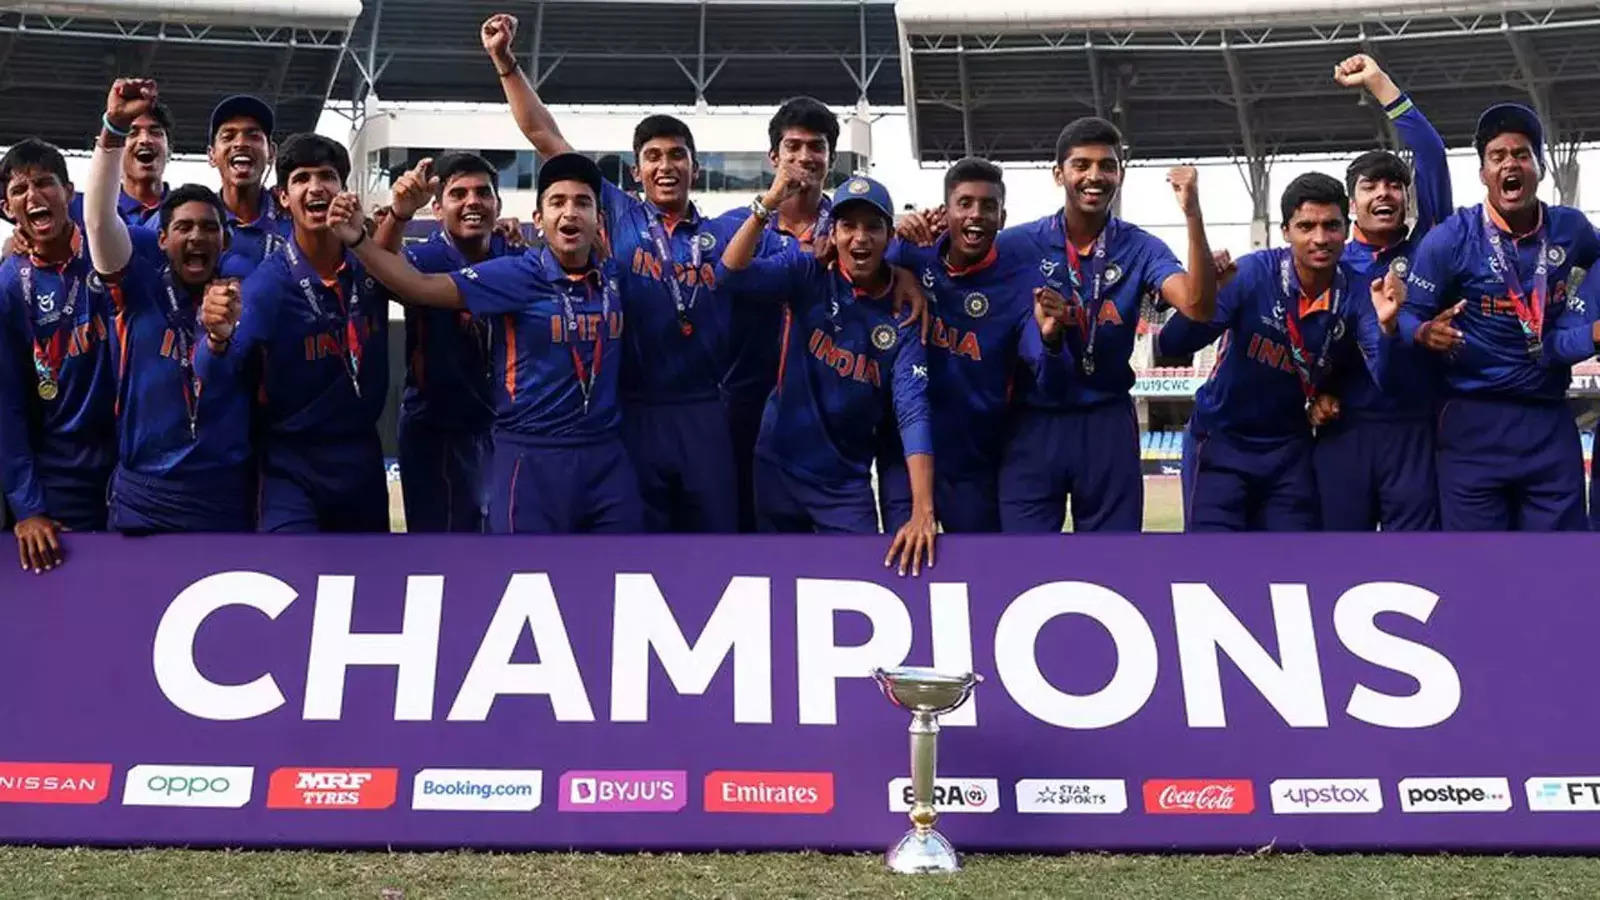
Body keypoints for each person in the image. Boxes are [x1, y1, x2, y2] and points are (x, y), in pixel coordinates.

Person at [483, 12, 748, 532]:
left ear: (695, 168)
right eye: (653, 157)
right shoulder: (616, 211)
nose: (666, 166)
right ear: (636, 171)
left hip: (703, 408)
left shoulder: (724, 232)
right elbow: (542, 132)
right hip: (634, 409)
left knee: (716, 539)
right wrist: (505, 61)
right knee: (637, 550)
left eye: (677, 156)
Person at [328, 152, 642, 534]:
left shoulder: (600, 273)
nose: (570, 212)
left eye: (582, 203)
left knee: (616, 562)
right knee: (457, 551)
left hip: (563, 440)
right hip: (456, 429)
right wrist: (369, 233)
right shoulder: (503, 269)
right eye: (558, 202)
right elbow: (402, 281)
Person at [998, 117, 1219, 533]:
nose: (1095, 176)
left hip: (1106, 421)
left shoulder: (1141, 247)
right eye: (1081, 165)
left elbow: (1197, 306)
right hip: (1033, 421)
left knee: (1114, 558)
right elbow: (955, 272)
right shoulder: (1016, 246)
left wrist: (1192, 213)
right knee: (1022, 558)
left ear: (1121, 173)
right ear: (1058, 173)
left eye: (1107, 165)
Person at [717, 171, 935, 575]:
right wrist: (768, 203)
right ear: (832, 234)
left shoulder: (904, 312)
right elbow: (730, 273)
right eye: (848, 226)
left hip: (844, 484)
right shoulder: (809, 273)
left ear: (890, 237)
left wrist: (923, 510)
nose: (860, 238)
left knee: (861, 580)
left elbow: (913, 410)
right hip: (777, 467)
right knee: (777, 585)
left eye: (873, 227)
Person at [1161, 173, 1404, 531]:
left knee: (1291, 561)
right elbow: (1173, 345)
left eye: (1331, 226)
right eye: (1306, 226)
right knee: (1211, 560)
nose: (1320, 238)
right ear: (1286, 231)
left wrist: (1389, 329)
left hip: (1290, 452)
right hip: (1221, 444)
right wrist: (1204, 293)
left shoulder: (1358, 292)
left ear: (1346, 229)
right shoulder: (1250, 274)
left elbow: (1386, 377)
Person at [1401, 103, 1600, 531]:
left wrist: (1586, 325)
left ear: (1539, 167)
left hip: (1548, 419)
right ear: (1483, 173)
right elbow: (1407, 315)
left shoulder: (1571, 229)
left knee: (1559, 561)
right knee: (1478, 563)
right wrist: (1422, 331)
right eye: (1498, 156)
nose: (1510, 163)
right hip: (1472, 422)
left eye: (1521, 154)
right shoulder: (1451, 239)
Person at [197, 133, 391, 533]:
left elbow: (427, 281)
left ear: (344, 190)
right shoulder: (266, 288)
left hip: (362, 460)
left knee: (371, 573)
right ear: (283, 198)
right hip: (291, 467)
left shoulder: (371, 266)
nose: (316, 187)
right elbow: (218, 376)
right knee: (290, 569)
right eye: (302, 178)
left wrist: (401, 216)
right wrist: (215, 338)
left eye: (327, 176)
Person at [84, 78, 255, 533]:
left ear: (226, 240)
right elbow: (98, 223)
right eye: (183, 228)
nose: (197, 236)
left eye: (209, 228)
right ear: (161, 239)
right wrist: (112, 130)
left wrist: (220, 336)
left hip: (222, 497)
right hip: (145, 497)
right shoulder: (138, 289)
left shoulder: (246, 292)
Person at [879, 157, 1075, 533]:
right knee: (902, 558)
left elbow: (1046, 371)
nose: (976, 215)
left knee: (975, 564)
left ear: (1002, 218)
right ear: (945, 211)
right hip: (902, 453)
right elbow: (865, 270)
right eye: (965, 203)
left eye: (988, 206)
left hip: (973, 462)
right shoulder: (912, 254)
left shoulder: (1021, 284)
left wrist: (1051, 338)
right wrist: (896, 244)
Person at [1312, 53, 1450, 531]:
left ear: (1407, 199)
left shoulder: (1429, 248)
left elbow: (1431, 155)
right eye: (1371, 186)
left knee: (1415, 561)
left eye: (1395, 186)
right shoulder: (1325, 262)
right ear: (1352, 204)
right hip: (1344, 430)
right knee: (1339, 558)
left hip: (1414, 432)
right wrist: (1312, 397)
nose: (1385, 194)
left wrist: (1380, 84)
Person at [0, 139, 117, 571]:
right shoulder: (8, 287)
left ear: (69, 192)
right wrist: (29, 507)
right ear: (6, 208)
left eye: (45, 183)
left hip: (133, 470)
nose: (34, 196)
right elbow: (6, 406)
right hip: (63, 479)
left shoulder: (111, 248)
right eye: (19, 190)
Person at [376, 153, 507, 534]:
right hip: (436, 430)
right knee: (440, 548)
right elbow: (377, 266)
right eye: (459, 194)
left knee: (507, 545)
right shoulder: (422, 258)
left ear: (498, 205)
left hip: (504, 428)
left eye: (483, 192)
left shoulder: (515, 257)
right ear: (436, 209)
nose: (472, 202)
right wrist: (399, 214)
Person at [208, 94, 291, 267]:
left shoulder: (295, 219)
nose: (240, 143)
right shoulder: (196, 221)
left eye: (253, 136)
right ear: (212, 155)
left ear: (271, 152)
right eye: (228, 137)